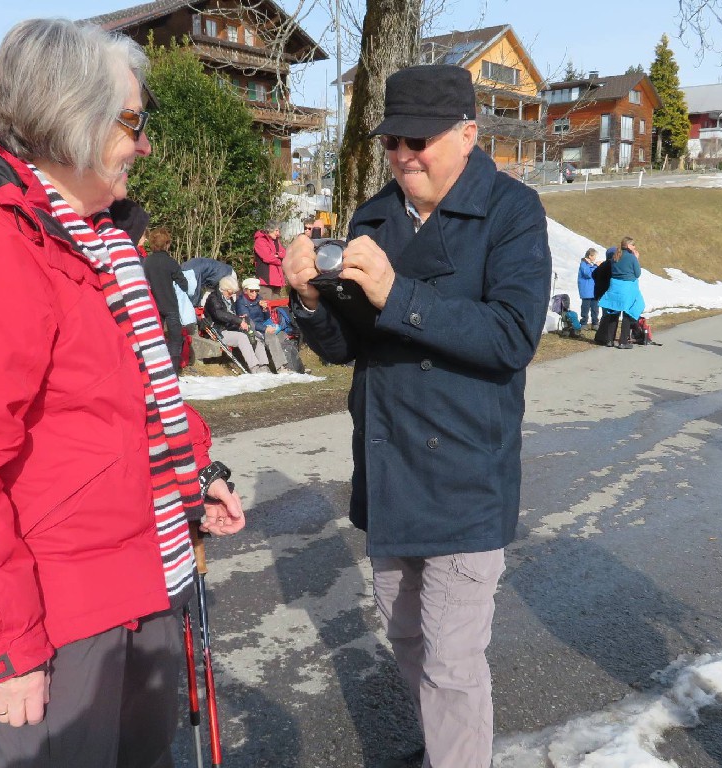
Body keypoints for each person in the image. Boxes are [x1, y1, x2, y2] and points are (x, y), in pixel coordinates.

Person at [0, 19, 245, 768]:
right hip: (66, 615)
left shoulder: (100, 236)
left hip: (149, 578)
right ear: (69, 115)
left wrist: (196, 471)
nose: (145, 143)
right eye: (131, 121)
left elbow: (138, 396)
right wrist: (4, 648)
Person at [283, 63, 550, 768]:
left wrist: (399, 293)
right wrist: (310, 301)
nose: (404, 155)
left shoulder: (512, 213)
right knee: (406, 636)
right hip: (389, 461)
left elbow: (511, 338)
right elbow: (348, 347)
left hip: (466, 468)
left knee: (453, 660)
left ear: (468, 132)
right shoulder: (373, 217)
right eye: (392, 139)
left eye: (419, 140)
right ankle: (445, 746)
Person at [203, 275, 271, 373]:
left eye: (233, 292)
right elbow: (220, 314)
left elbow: (231, 314)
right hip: (219, 331)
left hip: (231, 328)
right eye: (230, 292)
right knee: (242, 337)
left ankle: (264, 365)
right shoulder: (213, 298)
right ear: (224, 289)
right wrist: (239, 321)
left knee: (254, 335)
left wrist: (241, 319)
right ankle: (254, 367)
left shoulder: (228, 297)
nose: (232, 294)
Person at [143, 226, 188, 371]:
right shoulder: (171, 263)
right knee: (175, 339)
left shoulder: (146, 262)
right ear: (167, 244)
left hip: (153, 305)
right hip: (170, 305)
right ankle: (173, 371)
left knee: (154, 339)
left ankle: (155, 369)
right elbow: (184, 285)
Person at [235, 276, 293, 373]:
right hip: (250, 328)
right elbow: (248, 321)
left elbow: (266, 318)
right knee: (270, 336)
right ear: (245, 291)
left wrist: (265, 309)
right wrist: (265, 329)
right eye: (251, 291)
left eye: (256, 291)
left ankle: (292, 364)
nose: (254, 294)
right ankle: (279, 367)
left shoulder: (259, 299)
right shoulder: (241, 303)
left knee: (282, 335)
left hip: (262, 326)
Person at [598, 236, 645, 349]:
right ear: (628, 245)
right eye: (633, 245)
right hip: (627, 287)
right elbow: (637, 273)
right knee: (627, 314)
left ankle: (609, 340)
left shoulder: (616, 256)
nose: (635, 247)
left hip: (615, 286)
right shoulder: (631, 257)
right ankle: (623, 341)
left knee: (614, 312)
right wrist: (636, 259)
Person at [253, 219, 286, 300]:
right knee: (266, 306)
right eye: (276, 230)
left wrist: (277, 255)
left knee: (277, 306)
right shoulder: (260, 241)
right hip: (266, 280)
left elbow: (284, 253)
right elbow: (268, 257)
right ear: (270, 230)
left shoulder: (276, 241)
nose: (278, 233)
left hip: (277, 280)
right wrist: (280, 260)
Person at [578, 247, 600, 329]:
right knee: (585, 308)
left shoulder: (590, 265)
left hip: (593, 291)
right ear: (590, 256)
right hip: (586, 290)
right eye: (594, 256)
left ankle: (595, 323)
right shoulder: (583, 264)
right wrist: (595, 266)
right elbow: (588, 274)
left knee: (595, 308)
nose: (595, 258)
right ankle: (583, 323)